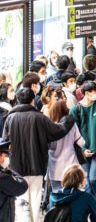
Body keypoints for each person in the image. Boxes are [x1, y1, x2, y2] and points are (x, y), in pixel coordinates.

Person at [2, 87, 74, 222]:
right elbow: (58, 130)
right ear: (32, 100)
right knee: (35, 200)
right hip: (37, 165)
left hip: (16, 167)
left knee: (21, 202)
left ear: (17, 100)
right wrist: (68, 119)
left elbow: (5, 142)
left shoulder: (10, 118)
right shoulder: (39, 117)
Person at [47, 100, 85, 192]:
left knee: (56, 192)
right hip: (70, 165)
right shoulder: (72, 125)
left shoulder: (49, 126)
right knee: (72, 192)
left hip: (54, 166)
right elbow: (81, 142)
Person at [0, 139, 28, 222]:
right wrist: (9, 171)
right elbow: (22, 186)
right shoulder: (3, 177)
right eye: (6, 156)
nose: (7, 159)